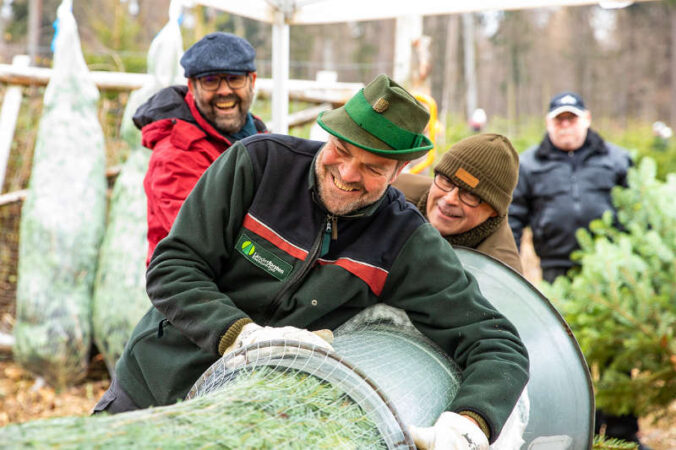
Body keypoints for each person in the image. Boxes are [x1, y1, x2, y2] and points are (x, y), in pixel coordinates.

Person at [94, 74, 529, 448]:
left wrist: (470, 422)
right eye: (342, 149)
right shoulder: (257, 165)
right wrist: (241, 336)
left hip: (245, 419)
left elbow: (498, 343)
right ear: (328, 134)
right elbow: (173, 266)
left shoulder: (404, 241)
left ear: (399, 172)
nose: (348, 173)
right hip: (154, 380)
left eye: (374, 167)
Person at [508, 92, 644, 448]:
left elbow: (638, 215)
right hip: (558, 273)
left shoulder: (617, 160)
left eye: (572, 118)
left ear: (587, 119)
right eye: (559, 119)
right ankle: (579, 427)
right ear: (549, 123)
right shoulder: (531, 165)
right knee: (568, 354)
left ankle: (623, 433)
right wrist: (511, 273)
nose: (566, 125)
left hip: (612, 272)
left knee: (617, 354)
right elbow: (513, 221)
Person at [132, 32, 268, 264]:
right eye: (210, 81)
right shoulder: (176, 154)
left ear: (252, 81)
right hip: (192, 288)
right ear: (192, 87)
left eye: (234, 79)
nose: (224, 91)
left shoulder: (258, 137)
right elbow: (201, 242)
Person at [393, 134, 523, 273]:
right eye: (447, 181)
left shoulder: (498, 275)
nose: (450, 199)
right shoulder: (390, 192)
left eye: (470, 194)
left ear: (493, 211)